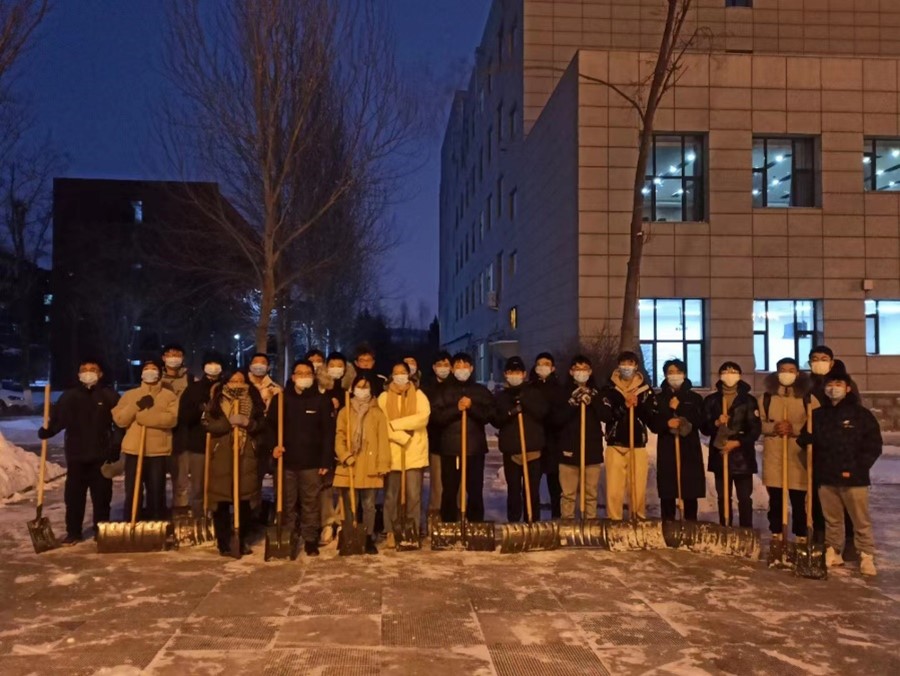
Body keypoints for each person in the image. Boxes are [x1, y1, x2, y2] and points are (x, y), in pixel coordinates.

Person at [798, 364, 882, 576]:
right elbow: (805, 438)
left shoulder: (861, 415)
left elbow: (873, 445)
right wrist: (806, 439)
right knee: (832, 519)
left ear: (848, 388)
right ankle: (834, 550)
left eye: (838, 384)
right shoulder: (818, 415)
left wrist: (858, 467)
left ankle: (866, 554)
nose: (833, 388)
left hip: (854, 478)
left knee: (860, 520)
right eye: (830, 384)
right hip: (826, 476)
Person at [37, 359, 120, 544]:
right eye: (84, 369)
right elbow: (58, 420)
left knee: (102, 497)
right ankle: (73, 532)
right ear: (78, 374)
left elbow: (120, 423)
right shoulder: (69, 396)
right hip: (76, 456)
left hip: (101, 456)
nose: (88, 372)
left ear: (100, 374)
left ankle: (101, 530)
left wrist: (116, 445)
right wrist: (48, 431)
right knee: (74, 498)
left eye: (93, 369)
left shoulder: (109, 396)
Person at [269, 360, 334, 557]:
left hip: (311, 463)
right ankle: (288, 535)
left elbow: (328, 433)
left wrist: (325, 460)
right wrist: (273, 447)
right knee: (287, 502)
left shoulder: (321, 401)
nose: (304, 377)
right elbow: (270, 428)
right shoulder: (281, 399)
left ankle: (310, 539)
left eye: (308, 373)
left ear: (313, 377)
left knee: (310, 502)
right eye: (300, 373)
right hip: (286, 462)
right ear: (293, 376)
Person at [204, 370, 266, 556]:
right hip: (222, 454)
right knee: (221, 501)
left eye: (241, 380)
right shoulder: (217, 400)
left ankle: (242, 538)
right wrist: (227, 424)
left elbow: (262, 424)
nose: (237, 384)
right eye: (233, 380)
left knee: (244, 500)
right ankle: (223, 541)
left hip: (246, 454)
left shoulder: (253, 400)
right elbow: (207, 423)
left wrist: (248, 423)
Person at [430, 352, 495, 523]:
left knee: (475, 490)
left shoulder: (480, 391)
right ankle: (449, 522)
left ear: (471, 368)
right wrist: (456, 409)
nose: (462, 370)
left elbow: (490, 415)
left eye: (465, 366)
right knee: (450, 490)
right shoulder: (443, 391)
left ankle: (475, 523)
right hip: (450, 448)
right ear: (452, 369)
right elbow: (436, 416)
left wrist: (472, 407)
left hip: (474, 448)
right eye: (458, 366)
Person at [112, 361, 179, 522]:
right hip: (134, 449)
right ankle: (132, 520)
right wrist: (136, 406)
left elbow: (172, 419)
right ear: (141, 373)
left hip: (158, 450)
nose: (150, 371)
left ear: (159, 373)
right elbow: (120, 420)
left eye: (153, 369)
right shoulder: (130, 395)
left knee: (156, 490)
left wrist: (146, 417)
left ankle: (156, 521)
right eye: (146, 369)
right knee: (133, 489)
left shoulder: (169, 396)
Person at [807, 345, 856, 560]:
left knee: (846, 499)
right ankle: (821, 537)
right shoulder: (807, 385)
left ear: (832, 361)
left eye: (824, 358)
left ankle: (851, 541)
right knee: (819, 498)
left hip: (843, 452)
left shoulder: (843, 384)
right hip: (819, 452)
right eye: (815, 358)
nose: (819, 362)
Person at [760, 358, 815, 545]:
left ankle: (801, 535)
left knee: (799, 500)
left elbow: (816, 423)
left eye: (791, 370)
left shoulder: (808, 398)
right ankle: (776, 533)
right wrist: (774, 428)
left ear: (798, 373)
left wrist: (794, 429)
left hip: (798, 456)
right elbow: (758, 424)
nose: (787, 373)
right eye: (783, 370)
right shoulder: (767, 398)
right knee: (775, 499)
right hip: (774, 455)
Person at [334, 375, 391, 554]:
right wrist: (345, 456)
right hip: (350, 465)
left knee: (369, 505)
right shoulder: (345, 412)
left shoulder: (377, 413)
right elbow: (339, 436)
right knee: (350, 505)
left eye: (365, 387)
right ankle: (350, 535)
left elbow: (383, 441)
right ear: (353, 389)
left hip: (370, 466)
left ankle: (367, 537)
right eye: (359, 387)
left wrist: (382, 464)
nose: (362, 390)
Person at [701, 362, 761, 528]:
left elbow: (755, 430)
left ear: (739, 375)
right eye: (725, 371)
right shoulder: (712, 400)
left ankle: (746, 529)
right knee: (723, 496)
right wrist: (716, 423)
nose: (729, 374)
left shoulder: (748, 400)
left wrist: (738, 442)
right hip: (720, 454)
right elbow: (704, 428)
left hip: (743, 457)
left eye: (733, 371)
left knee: (744, 497)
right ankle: (725, 526)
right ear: (720, 375)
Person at [377, 361, 430, 547]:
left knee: (414, 495)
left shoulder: (419, 395)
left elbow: (422, 418)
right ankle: (390, 530)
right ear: (391, 375)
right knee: (391, 495)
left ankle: (412, 530)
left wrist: (396, 425)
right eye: (396, 372)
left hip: (414, 452)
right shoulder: (384, 397)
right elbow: (382, 423)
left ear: (409, 375)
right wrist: (401, 436)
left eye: (403, 372)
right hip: (392, 452)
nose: (400, 375)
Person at [599, 351, 656, 520]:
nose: (627, 367)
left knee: (638, 488)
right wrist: (624, 406)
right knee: (614, 489)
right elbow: (606, 415)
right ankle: (614, 520)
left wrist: (638, 406)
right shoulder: (609, 390)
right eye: (623, 364)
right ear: (618, 366)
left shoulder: (645, 390)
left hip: (637, 444)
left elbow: (650, 417)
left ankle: (637, 518)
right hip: (615, 444)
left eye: (630, 364)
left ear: (636, 366)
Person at [554, 355, 610, 519]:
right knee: (568, 493)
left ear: (590, 371)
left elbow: (606, 415)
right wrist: (572, 403)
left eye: (584, 369)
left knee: (591, 493)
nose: (581, 372)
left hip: (591, 449)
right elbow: (556, 419)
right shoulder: (562, 393)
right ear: (571, 372)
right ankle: (567, 523)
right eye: (577, 369)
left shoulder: (597, 392)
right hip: (569, 449)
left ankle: (590, 522)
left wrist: (593, 401)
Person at [492, 356, 548, 522]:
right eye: (511, 372)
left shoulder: (534, 393)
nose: (514, 375)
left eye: (517, 372)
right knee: (514, 491)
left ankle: (532, 521)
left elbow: (542, 413)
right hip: (512, 451)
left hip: (532, 450)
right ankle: (514, 522)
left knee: (531, 491)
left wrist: (525, 402)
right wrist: (511, 412)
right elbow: (495, 420)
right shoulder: (501, 397)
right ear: (505, 374)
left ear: (524, 374)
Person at [649, 359, 705, 522]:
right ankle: (668, 523)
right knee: (668, 487)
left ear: (684, 374)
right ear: (665, 375)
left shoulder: (694, 398)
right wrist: (667, 421)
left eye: (678, 372)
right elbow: (653, 423)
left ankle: (690, 523)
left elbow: (700, 421)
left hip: (689, 447)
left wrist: (680, 409)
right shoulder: (659, 398)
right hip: (668, 446)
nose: (674, 376)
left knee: (689, 488)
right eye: (670, 373)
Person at [176, 353, 224, 516]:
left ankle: (218, 518)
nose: (213, 367)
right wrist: (199, 410)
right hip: (198, 444)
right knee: (198, 487)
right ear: (204, 367)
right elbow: (183, 417)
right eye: (210, 363)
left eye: (217, 363)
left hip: (221, 444)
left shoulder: (225, 388)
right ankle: (199, 517)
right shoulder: (193, 389)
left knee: (219, 486)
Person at [247, 352, 282, 524]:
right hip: (251, 435)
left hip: (271, 436)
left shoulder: (276, 389)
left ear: (268, 367)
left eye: (263, 363)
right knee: (252, 478)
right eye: (256, 362)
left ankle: (277, 514)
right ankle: (252, 513)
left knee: (277, 475)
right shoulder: (244, 386)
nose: (259, 365)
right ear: (250, 365)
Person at [530, 352, 564, 519]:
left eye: (546, 364)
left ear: (553, 368)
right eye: (539, 364)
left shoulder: (559, 389)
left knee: (555, 485)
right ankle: (532, 519)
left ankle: (556, 518)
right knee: (532, 485)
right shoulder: (530, 389)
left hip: (553, 442)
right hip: (534, 440)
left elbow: (561, 415)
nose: (542, 367)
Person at [421, 351, 452, 526]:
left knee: (455, 486)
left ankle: (454, 519)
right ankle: (434, 520)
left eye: (446, 365)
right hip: (436, 442)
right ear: (434, 367)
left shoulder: (456, 387)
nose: (443, 368)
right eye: (439, 365)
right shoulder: (427, 389)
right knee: (437, 485)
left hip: (455, 443)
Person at [160, 343, 191, 514]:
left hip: (182, 434)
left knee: (181, 477)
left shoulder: (190, 379)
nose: (173, 358)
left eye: (177, 354)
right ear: (163, 358)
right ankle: (158, 511)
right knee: (156, 477)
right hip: (159, 434)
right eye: (170, 354)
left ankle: (181, 509)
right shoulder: (156, 379)